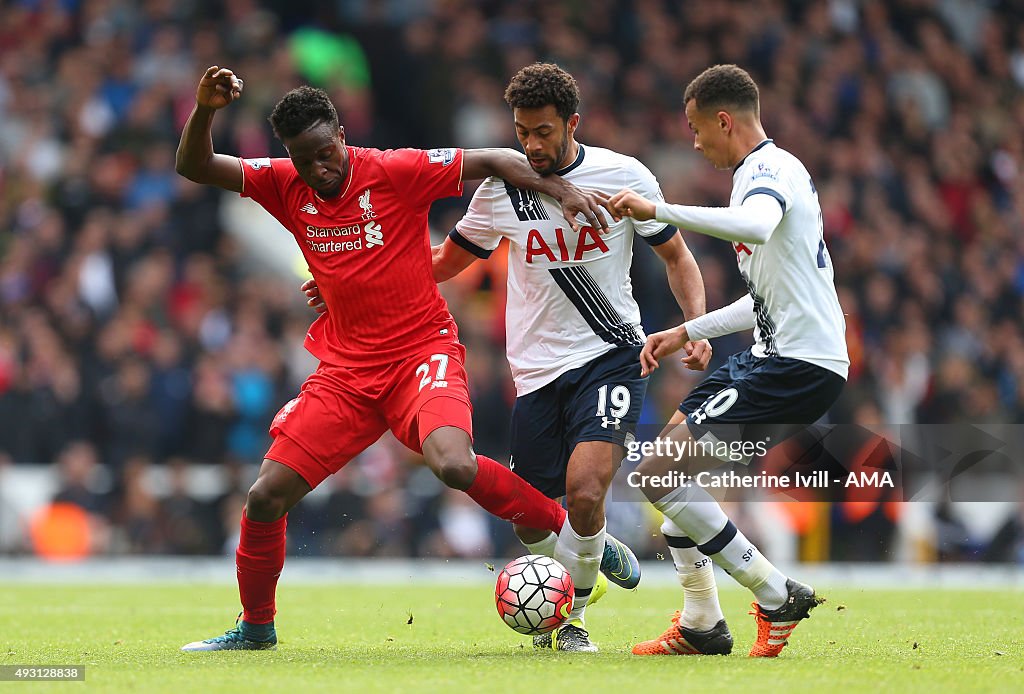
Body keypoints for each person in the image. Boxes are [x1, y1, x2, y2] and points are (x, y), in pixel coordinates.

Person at [174, 65, 615, 652]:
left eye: (328, 152)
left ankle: (581, 536)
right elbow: (195, 166)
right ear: (291, 157)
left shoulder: (393, 169)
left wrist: (560, 189)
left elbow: (492, 159)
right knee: (264, 496)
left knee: (454, 464)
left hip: (420, 353)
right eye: (306, 159)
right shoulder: (283, 183)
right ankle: (256, 628)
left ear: (342, 137)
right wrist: (205, 110)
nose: (320, 168)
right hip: (347, 373)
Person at [305, 63, 710, 651]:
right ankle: (581, 568)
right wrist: (353, 278)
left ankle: (573, 622)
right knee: (530, 516)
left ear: (573, 123)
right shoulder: (502, 191)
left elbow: (677, 257)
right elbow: (445, 262)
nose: (531, 145)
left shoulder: (624, 176)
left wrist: (694, 327)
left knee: (586, 491)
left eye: (543, 131)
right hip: (536, 369)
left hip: (611, 354)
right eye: (522, 132)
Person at [608, 64, 849, 657]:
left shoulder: (766, 171)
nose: (694, 141)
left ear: (724, 120)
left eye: (696, 128)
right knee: (671, 479)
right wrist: (685, 329)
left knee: (656, 475)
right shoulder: (765, 172)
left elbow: (756, 226)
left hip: (797, 365)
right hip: (780, 358)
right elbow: (764, 299)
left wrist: (658, 210)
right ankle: (702, 625)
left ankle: (773, 593)